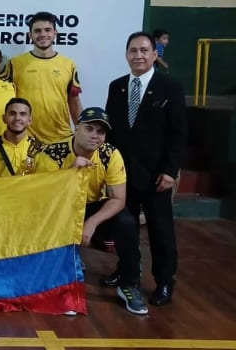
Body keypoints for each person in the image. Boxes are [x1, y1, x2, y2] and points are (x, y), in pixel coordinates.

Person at [103, 32, 187, 307]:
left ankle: (164, 282)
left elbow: (178, 133)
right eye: (133, 51)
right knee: (125, 229)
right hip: (122, 176)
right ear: (126, 55)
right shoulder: (117, 87)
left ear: (154, 55)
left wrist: (169, 170)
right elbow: (111, 133)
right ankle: (127, 272)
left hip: (156, 176)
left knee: (160, 230)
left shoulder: (170, 87)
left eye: (144, 50)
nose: (138, 55)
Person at [35, 107, 146, 315]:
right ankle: (59, 286)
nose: (95, 136)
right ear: (76, 128)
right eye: (90, 129)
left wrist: (91, 223)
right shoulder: (52, 153)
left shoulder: (110, 154)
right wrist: (69, 173)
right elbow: (43, 199)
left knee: (127, 222)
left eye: (101, 132)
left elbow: (119, 199)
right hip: (59, 207)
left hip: (92, 207)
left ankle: (128, 284)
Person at [0, 11, 82, 144]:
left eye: (47, 30)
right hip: (25, 138)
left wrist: (81, 130)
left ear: (55, 33)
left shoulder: (68, 64)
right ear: (30, 35)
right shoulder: (14, 63)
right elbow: (1, 100)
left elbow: (74, 101)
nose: (43, 34)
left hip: (61, 137)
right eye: (37, 31)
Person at [0, 98, 38, 177]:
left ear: (29, 120)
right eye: (12, 113)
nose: (17, 118)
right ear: (4, 118)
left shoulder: (37, 149)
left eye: (23, 114)